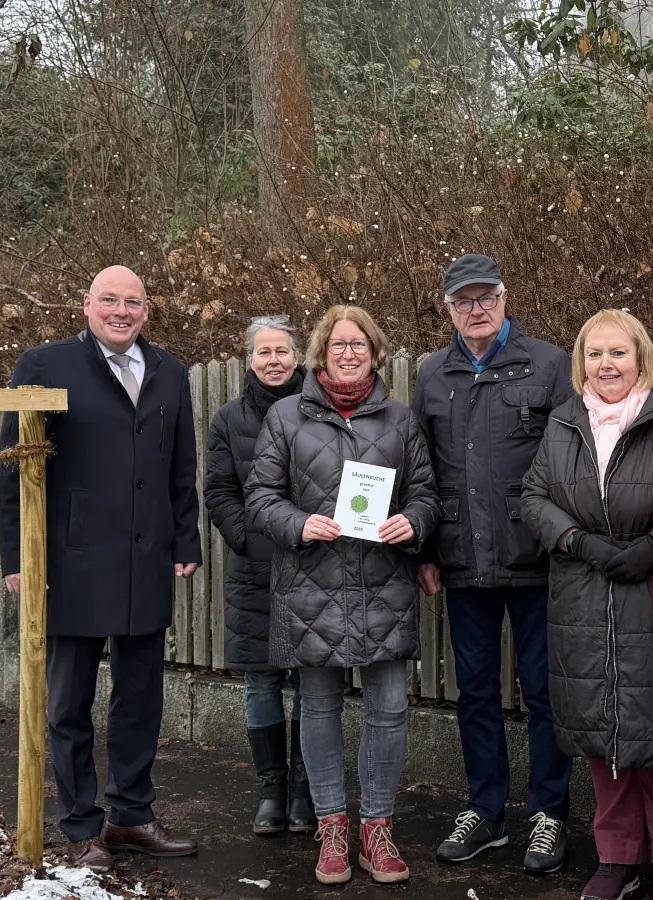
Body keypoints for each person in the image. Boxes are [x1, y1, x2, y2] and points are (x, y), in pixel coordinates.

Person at [0, 265, 202, 874]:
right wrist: (18, 557)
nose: (121, 311)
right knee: (69, 703)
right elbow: (13, 467)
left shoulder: (169, 372)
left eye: (132, 302)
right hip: (72, 562)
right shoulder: (44, 365)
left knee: (141, 698)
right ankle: (81, 827)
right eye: (109, 300)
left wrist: (184, 538)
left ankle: (130, 815)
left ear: (146, 310)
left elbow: (180, 467)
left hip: (145, 559)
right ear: (87, 305)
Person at [245, 305, 438, 886]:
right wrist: (298, 523)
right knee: (320, 707)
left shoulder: (401, 420)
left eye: (358, 344)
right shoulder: (285, 416)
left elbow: (427, 493)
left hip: (385, 585)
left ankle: (376, 828)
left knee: (389, 709)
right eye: (338, 344)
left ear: (374, 353)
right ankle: (331, 826)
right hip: (313, 585)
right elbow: (260, 496)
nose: (348, 353)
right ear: (321, 354)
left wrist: (413, 522)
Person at [520, 310, 653, 900]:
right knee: (602, 737)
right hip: (582, 595)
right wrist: (577, 541)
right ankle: (618, 858)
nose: (606, 365)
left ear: (641, 356)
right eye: (594, 354)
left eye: (618, 352)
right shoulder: (564, 420)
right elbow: (534, 495)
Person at [413, 254, 576, 872]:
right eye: (464, 301)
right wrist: (425, 550)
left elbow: (570, 461)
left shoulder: (550, 364)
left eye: (485, 298)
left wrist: (564, 541)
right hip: (462, 560)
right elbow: (421, 470)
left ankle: (548, 814)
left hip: (536, 559)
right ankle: (485, 811)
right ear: (448, 308)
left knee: (544, 690)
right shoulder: (433, 373)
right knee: (476, 692)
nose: (475, 310)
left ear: (505, 299)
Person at [203, 315, 315, 836]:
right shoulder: (229, 419)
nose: (274, 361)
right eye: (264, 352)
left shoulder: (319, 408)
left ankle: (305, 790)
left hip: (315, 564)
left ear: (298, 356)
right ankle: (272, 789)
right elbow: (219, 490)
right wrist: (248, 540)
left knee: (314, 681)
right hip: (255, 570)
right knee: (262, 680)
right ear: (249, 360)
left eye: (282, 351)